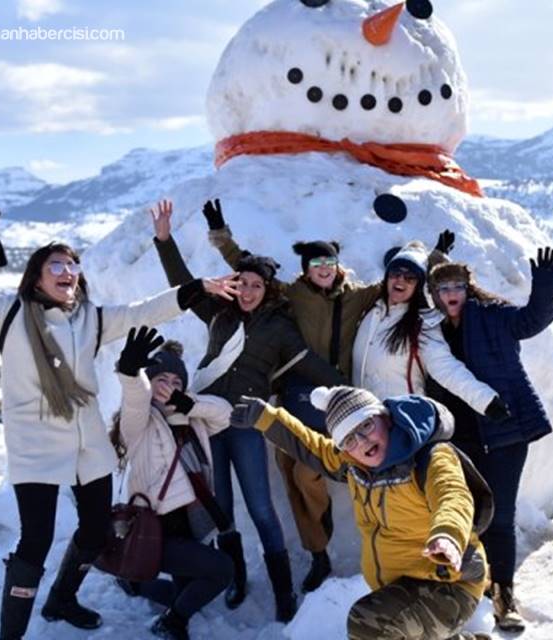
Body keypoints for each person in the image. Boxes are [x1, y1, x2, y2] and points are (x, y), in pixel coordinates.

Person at [0, 205, 238, 639]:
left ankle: (62, 599)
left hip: (88, 446)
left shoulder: (90, 318)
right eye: (56, 264)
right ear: (36, 277)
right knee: (34, 543)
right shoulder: (8, 314)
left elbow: (140, 312)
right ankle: (10, 634)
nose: (67, 270)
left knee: (94, 532)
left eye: (73, 264)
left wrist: (196, 289)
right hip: (35, 448)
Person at [151, 199, 345, 622]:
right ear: (235, 285)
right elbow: (183, 284)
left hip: (245, 423)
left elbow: (312, 364)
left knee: (260, 507)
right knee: (222, 507)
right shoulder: (218, 314)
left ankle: (282, 593)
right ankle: (236, 574)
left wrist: (352, 393)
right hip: (204, 418)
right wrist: (164, 241)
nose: (249, 291)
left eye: (257, 285)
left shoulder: (279, 327)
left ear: (268, 288)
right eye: (243, 283)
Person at [203, 199, 401, 592]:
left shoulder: (358, 296)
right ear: (306, 270)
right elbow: (247, 269)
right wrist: (221, 236)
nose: (322, 271)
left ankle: (354, 538)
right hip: (295, 396)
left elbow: (397, 284)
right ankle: (318, 556)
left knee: (308, 471)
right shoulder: (291, 294)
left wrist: (429, 257)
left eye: (328, 264)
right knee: (291, 475)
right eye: (315, 265)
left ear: (339, 267)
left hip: (337, 397)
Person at [230, 386, 492, 640]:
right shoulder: (355, 465)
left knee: (369, 623)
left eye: (366, 425)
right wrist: (266, 418)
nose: (363, 441)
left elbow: (452, 495)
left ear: (385, 417)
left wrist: (447, 535)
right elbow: (313, 447)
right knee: (395, 625)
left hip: (449, 585)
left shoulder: (430, 457)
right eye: (350, 439)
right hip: (403, 586)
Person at [425, 247, 553, 632]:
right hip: (457, 438)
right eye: (443, 287)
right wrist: (437, 254)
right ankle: (472, 588)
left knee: (499, 517)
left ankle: (503, 596)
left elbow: (535, 318)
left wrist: (546, 284)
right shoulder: (431, 329)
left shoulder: (493, 316)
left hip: (504, 432)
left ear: (468, 288)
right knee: (464, 515)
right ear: (434, 294)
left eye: (458, 286)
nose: (451, 293)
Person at [111, 329, 237, 639]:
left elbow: (225, 413)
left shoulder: (191, 420)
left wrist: (188, 403)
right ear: (149, 384)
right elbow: (136, 398)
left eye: (176, 382)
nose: (169, 388)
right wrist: (131, 374)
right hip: (155, 529)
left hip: (191, 524)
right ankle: (171, 623)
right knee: (222, 571)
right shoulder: (139, 423)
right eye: (161, 380)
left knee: (186, 594)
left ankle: (135, 582)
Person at [352, 240, 508, 423]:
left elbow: (446, 367)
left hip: (401, 423)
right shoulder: (371, 313)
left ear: (418, 285)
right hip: (364, 421)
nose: (401, 280)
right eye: (396, 273)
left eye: (410, 277)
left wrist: (485, 401)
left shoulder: (421, 325)